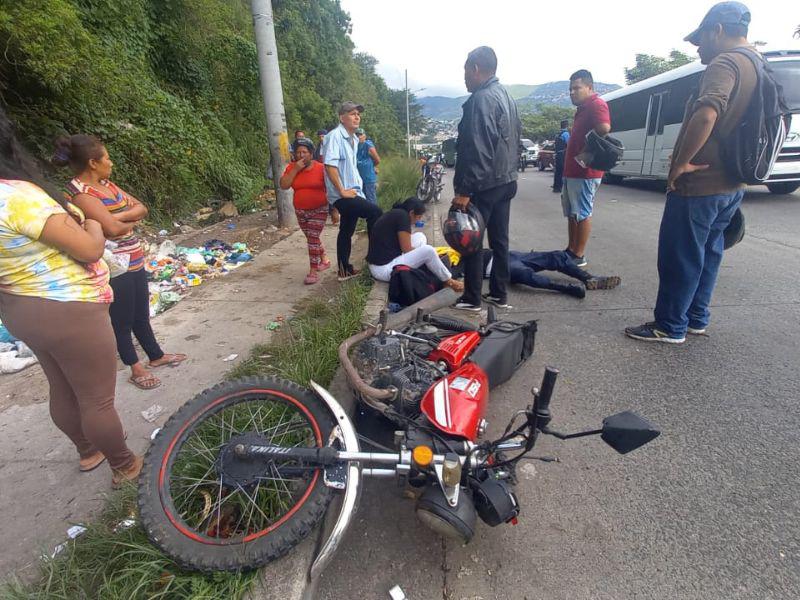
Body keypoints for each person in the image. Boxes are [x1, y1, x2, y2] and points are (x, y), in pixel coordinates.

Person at [0, 109, 141, 484]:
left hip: (18, 308)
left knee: (61, 386)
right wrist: (92, 222)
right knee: (96, 399)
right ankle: (125, 465)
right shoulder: (17, 197)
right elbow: (90, 249)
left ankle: (87, 451)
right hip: (66, 307)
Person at [626, 1, 756, 344]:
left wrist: (681, 162)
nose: (698, 47)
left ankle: (670, 325)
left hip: (700, 183)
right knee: (709, 253)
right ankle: (696, 317)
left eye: (700, 39)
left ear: (718, 31)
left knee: (681, 255)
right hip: (732, 181)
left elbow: (708, 112)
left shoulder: (725, 63)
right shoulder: (758, 64)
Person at [58, 135, 186, 390]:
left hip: (134, 258)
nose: (111, 162)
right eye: (107, 158)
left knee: (141, 313)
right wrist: (123, 220)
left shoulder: (106, 184)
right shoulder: (80, 194)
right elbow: (112, 230)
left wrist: (117, 217)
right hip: (113, 264)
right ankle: (135, 368)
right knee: (121, 320)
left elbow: (141, 208)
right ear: (93, 163)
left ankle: (156, 355)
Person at [452, 46, 521, 312]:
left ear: (476, 69)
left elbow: (478, 148)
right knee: (500, 240)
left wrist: (465, 191)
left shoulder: (481, 99)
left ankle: (472, 298)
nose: (464, 78)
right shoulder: (507, 96)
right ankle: (499, 294)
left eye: (465, 71)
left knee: (471, 239)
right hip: (506, 180)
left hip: (485, 183)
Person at [323, 101, 382, 281]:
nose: (357, 117)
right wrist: (342, 191)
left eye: (358, 114)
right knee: (375, 212)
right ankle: (376, 260)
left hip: (353, 191)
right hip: (343, 194)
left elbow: (349, 167)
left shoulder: (354, 139)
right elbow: (330, 165)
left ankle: (344, 270)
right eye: (352, 113)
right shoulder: (334, 136)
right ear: (342, 117)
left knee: (346, 230)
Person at [562, 69, 611, 267]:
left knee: (582, 212)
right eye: (570, 89)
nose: (572, 92)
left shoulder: (596, 104)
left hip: (585, 172)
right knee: (572, 213)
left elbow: (604, 128)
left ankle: (578, 254)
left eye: (577, 88)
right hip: (573, 172)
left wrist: (586, 150)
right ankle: (571, 250)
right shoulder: (582, 109)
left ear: (589, 87)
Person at [367, 197, 463, 292]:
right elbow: (406, 249)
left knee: (420, 237)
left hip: (382, 262)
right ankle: (448, 281)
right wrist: (426, 255)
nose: (418, 220)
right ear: (411, 213)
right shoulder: (403, 218)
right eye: (418, 217)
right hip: (383, 269)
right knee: (428, 251)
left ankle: (430, 264)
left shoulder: (398, 213)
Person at [279, 137, 332, 284]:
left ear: (311, 153)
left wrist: (334, 210)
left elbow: (330, 188)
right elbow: (284, 185)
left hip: (319, 209)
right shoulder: (292, 168)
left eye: (304, 152)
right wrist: (295, 169)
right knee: (311, 237)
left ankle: (313, 271)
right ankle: (324, 259)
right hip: (301, 211)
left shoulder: (321, 168)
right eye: (298, 152)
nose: (301, 155)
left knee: (312, 238)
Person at [479, 248, 620, 298]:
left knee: (557, 256)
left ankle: (588, 279)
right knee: (524, 275)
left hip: (509, 254)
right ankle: (566, 288)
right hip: (501, 267)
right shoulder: (463, 265)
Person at [356, 128, 381, 205]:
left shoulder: (368, 144)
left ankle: (374, 212)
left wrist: (371, 166)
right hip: (358, 178)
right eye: (357, 135)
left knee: (371, 199)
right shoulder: (354, 145)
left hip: (368, 177)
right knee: (361, 200)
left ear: (365, 136)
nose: (359, 137)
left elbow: (377, 160)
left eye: (361, 135)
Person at [553, 120, 570, 193]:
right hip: (563, 154)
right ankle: (561, 187)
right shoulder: (566, 134)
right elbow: (569, 143)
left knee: (557, 171)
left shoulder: (558, 134)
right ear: (567, 125)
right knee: (562, 171)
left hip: (557, 154)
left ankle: (556, 187)